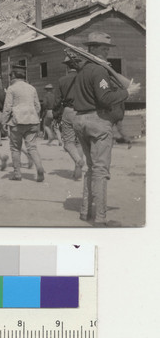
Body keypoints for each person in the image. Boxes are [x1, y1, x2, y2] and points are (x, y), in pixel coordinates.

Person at [72, 31, 140, 227]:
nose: (107, 52)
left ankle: (85, 212)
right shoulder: (100, 71)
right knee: (100, 171)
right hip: (97, 121)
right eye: (103, 48)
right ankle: (100, 218)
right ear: (92, 49)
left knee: (92, 168)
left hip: (80, 120)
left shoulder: (82, 70)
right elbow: (104, 98)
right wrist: (127, 92)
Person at [2, 64, 45, 181]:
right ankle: (39, 167)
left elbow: (7, 107)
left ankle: (17, 174)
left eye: (11, 76)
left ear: (14, 76)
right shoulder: (32, 88)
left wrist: (4, 122)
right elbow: (38, 106)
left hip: (17, 121)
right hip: (32, 121)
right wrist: (33, 115)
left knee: (15, 148)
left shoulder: (11, 88)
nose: (10, 78)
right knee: (32, 147)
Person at [54, 53, 85, 180]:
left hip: (69, 111)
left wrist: (56, 115)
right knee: (80, 142)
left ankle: (78, 161)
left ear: (67, 67)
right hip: (83, 111)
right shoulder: (84, 78)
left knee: (68, 143)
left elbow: (57, 101)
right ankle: (78, 171)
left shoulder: (62, 80)